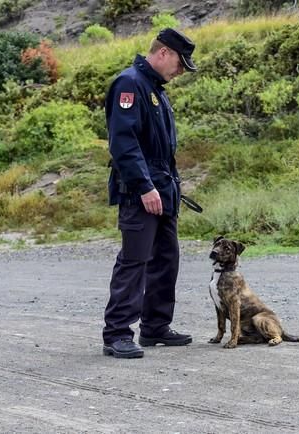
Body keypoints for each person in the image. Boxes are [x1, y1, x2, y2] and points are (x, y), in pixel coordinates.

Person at [102, 28, 197, 359]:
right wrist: (144, 187)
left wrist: (168, 186)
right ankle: (116, 333)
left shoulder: (155, 88)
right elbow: (123, 143)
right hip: (140, 191)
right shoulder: (129, 84)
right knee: (134, 261)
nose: (181, 71)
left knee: (166, 259)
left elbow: (161, 148)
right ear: (164, 53)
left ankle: (155, 327)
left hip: (164, 189)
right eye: (180, 63)